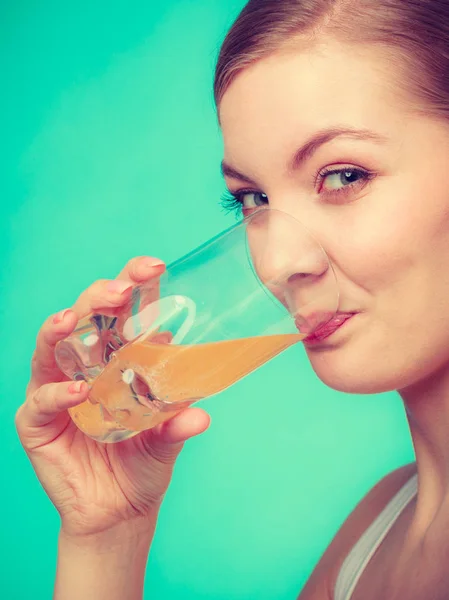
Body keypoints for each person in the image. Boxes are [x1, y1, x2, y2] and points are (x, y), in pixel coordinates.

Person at [16, 0, 449, 598]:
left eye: (343, 176)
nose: (275, 265)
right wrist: (106, 537)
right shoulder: (373, 535)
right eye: (252, 201)